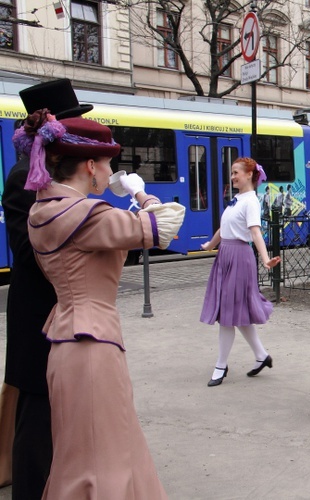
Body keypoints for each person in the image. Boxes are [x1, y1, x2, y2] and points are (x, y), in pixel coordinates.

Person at [20, 110, 185, 498]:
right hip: (93, 345)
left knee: (82, 455)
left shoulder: (43, 210)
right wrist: (139, 192)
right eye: (109, 165)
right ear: (91, 166)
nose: (111, 174)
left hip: (65, 342)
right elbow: (167, 224)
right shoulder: (84, 214)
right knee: (105, 460)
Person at [1, 78, 92, 499]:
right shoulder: (25, 177)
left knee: (57, 415)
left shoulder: (52, 174)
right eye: (73, 123)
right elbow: (28, 249)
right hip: (38, 315)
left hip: (59, 315)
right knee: (36, 419)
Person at [200, 158, 281, 386]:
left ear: (249, 174)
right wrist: (210, 244)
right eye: (232, 173)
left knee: (228, 314)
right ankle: (261, 356)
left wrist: (265, 259)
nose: (233, 176)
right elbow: (223, 228)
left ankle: (220, 365)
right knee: (236, 312)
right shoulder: (237, 200)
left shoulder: (251, 202)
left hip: (238, 257)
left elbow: (255, 233)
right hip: (226, 255)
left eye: (236, 172)